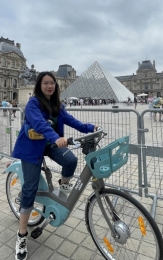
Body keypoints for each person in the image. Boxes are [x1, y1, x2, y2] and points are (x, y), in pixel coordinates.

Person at [11, 72, 97, 260]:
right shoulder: (33, 103)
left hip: (49, 144)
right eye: (45, 83)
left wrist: (90, 128)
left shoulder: (57, 105)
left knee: (71, 161)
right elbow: (40, 124)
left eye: (52, 83)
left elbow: (72, 121)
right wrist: (56, 138)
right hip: (31, 147)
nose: (49, 86)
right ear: (39, 86)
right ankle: (22, 235)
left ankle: (63, 187)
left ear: (56, 86)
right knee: (30, 188)